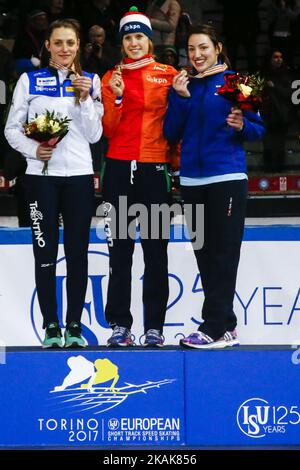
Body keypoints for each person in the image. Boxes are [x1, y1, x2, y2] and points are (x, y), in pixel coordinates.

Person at [163, 24, 265, 349]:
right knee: (205, 255)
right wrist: (179, 98)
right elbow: (170, 133)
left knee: (223, 254)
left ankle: (212, 327)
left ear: (217, 47)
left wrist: (242, 125)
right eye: (191, 49)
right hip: (192, 181)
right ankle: (227, 326)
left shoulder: (238, 83)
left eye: (203, 48)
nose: (197, 55)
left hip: (227, 179)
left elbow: (259, 130)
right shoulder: (183, 85)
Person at [5, 19, 103, 348]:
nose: (64, 49)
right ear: (48, 45)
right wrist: (35, 149)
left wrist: (86, 99)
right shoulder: (28, 80)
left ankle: (74, 326)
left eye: (70, 43)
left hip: (78, 177)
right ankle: (50, 326)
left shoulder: (91, 81)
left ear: (78, 47)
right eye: (58, 43)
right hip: (40, 178)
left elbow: (95, 135)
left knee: (78, 253)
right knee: (45, 253)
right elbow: (11, 129)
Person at [101, 6, 178, 348]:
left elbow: (177, 127)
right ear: (122, 43)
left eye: (139, 37)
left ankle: (154, 327)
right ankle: (120, 325)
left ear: (150, 40)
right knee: (119, 252)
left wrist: (173, 165)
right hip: (118, 169)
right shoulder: (110, 77)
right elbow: (106, 129)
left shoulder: (169, 74)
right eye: (128, 37)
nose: (134, 43)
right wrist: (116, 96)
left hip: (154, 169)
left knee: (156, 251)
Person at [260, 49, 292, 172]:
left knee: (280, 145)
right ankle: (267, 169)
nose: (278, 59)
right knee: (267, 145)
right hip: (267, 114)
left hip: (281, 115)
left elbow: (289, 94)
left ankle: (280, 169)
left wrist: (274, 87)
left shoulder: (287, 74)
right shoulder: (263, 74)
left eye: (280, 57)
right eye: (275, 57)